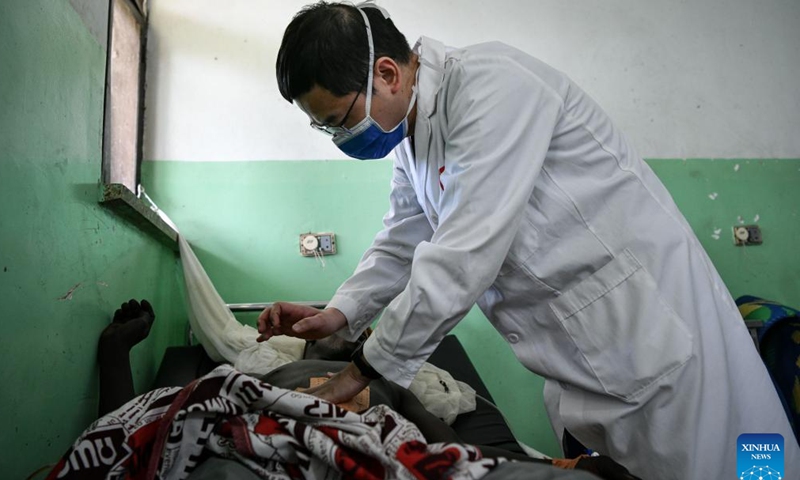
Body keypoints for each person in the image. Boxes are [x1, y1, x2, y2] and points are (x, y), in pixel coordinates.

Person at [259, 2, 799, 479]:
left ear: (387, 73)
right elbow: (403, 236)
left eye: (341, 121)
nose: (341, 139)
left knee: (743, 461)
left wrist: (359, 374)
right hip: (583, 352)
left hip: (651, 334)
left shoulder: (494, 86)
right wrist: (339, 313)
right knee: (630, 469)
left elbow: (461, 259)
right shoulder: (412, 137)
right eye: (327, 130)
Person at [87, 299, 639, 480]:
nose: (347, 339)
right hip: (264, 426)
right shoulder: (268, 376)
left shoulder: (391, 388)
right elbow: (155, 426)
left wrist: (555, 468)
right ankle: (117, 349)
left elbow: (446, 445)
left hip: (365, 441)